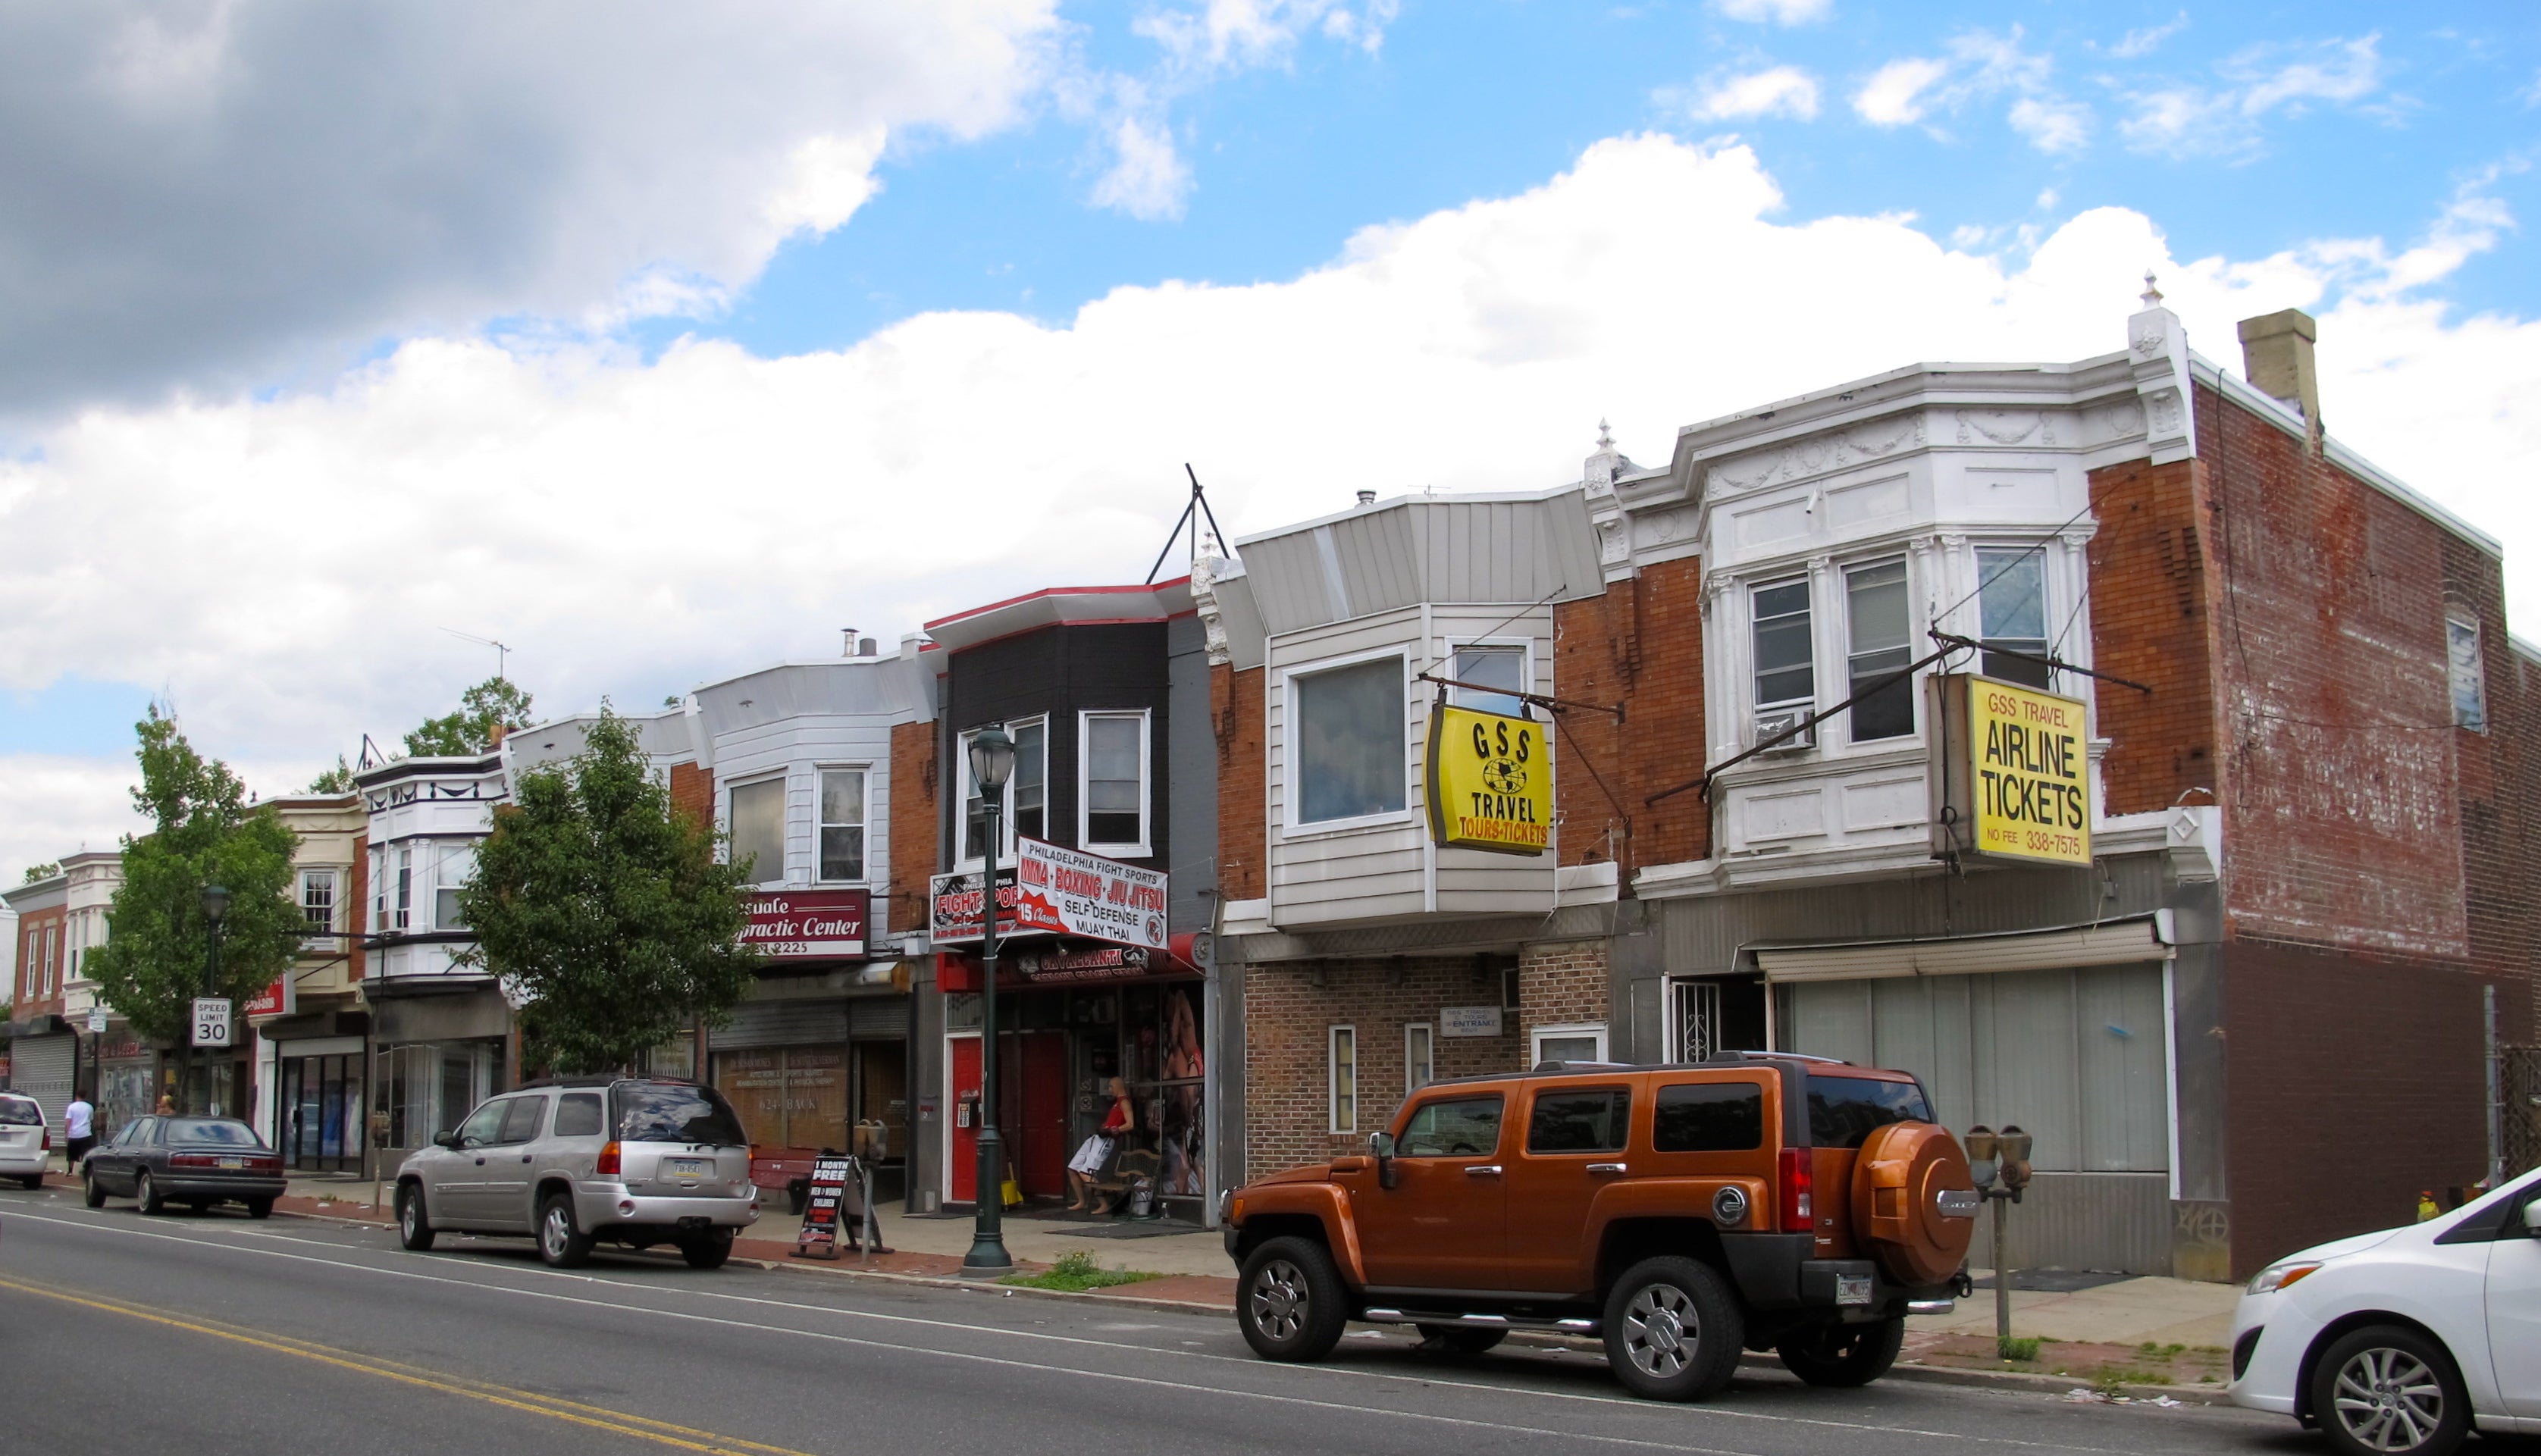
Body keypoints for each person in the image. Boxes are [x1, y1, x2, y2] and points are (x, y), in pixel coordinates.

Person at [1065, 1077, 1133, 1213]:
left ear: (1117, 1086)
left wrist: (1113, 1130)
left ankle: (1104, 1203)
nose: (1109, 1090)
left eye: (1111, 1087)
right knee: (1072, 1168)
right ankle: (1082, 1201)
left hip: (1107, 1140)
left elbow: (1130, 1124)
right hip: (1097, 1138)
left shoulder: (1124, 1102)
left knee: (1085, 1173)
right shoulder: (1117, 1103)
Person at [63, 1087, 96, 1173]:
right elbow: (91, 1120)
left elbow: (68, 1121)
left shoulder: (71, 1107)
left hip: (74, 1134)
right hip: (86, 1133)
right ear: (85, 1096)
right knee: (86, 1153)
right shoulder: (90, 1107)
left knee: (72, 1155)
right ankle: (86, 1170)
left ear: (76, 1096)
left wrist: (66, 1134)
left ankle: (70, 1171)